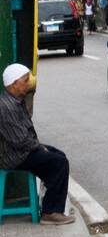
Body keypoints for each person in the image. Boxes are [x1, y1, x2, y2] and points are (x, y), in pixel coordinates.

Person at [0, 63, 74, 224]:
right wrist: (39, 148)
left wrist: (40, 147)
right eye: (25, 80)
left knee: (58, 155)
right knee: (59, 163)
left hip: (21, 150)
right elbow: (19, 140)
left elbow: (26, 135)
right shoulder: (6, 107)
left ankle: (49, 200)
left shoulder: (15, 101)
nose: (28, 83)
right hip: (14, 156)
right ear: (14, 83)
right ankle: (50, 212)